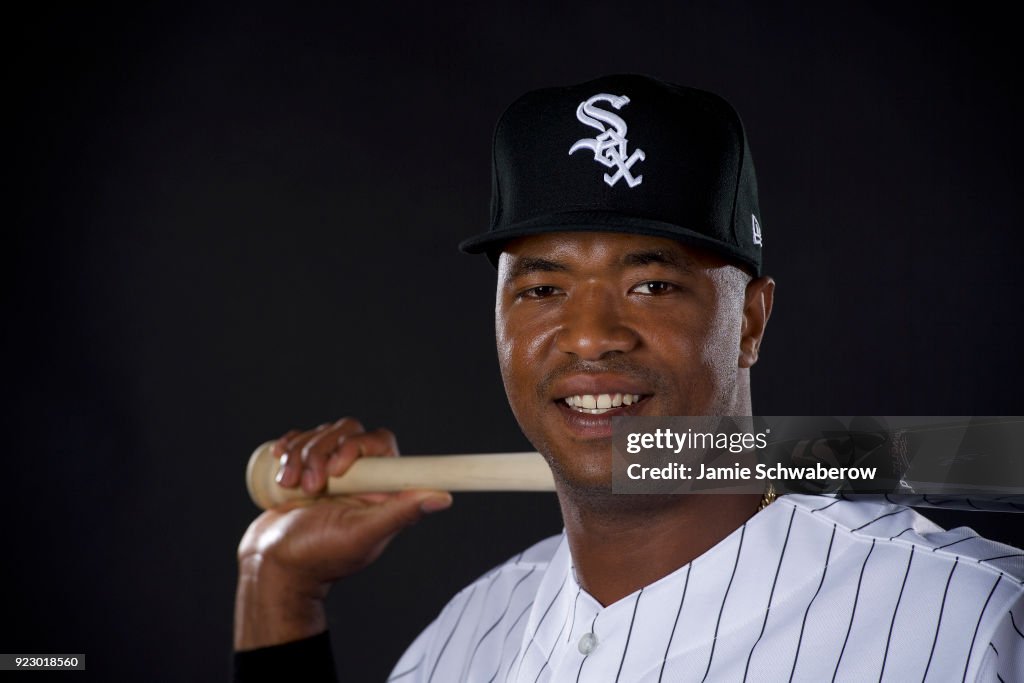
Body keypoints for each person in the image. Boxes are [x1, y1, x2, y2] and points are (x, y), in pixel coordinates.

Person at [233, 74, 1023, 681]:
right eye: (542, 288)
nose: (590, 336)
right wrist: (279, 590)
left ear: (750, 319)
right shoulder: (461, 644)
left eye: (652, 283)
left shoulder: (969, 624)